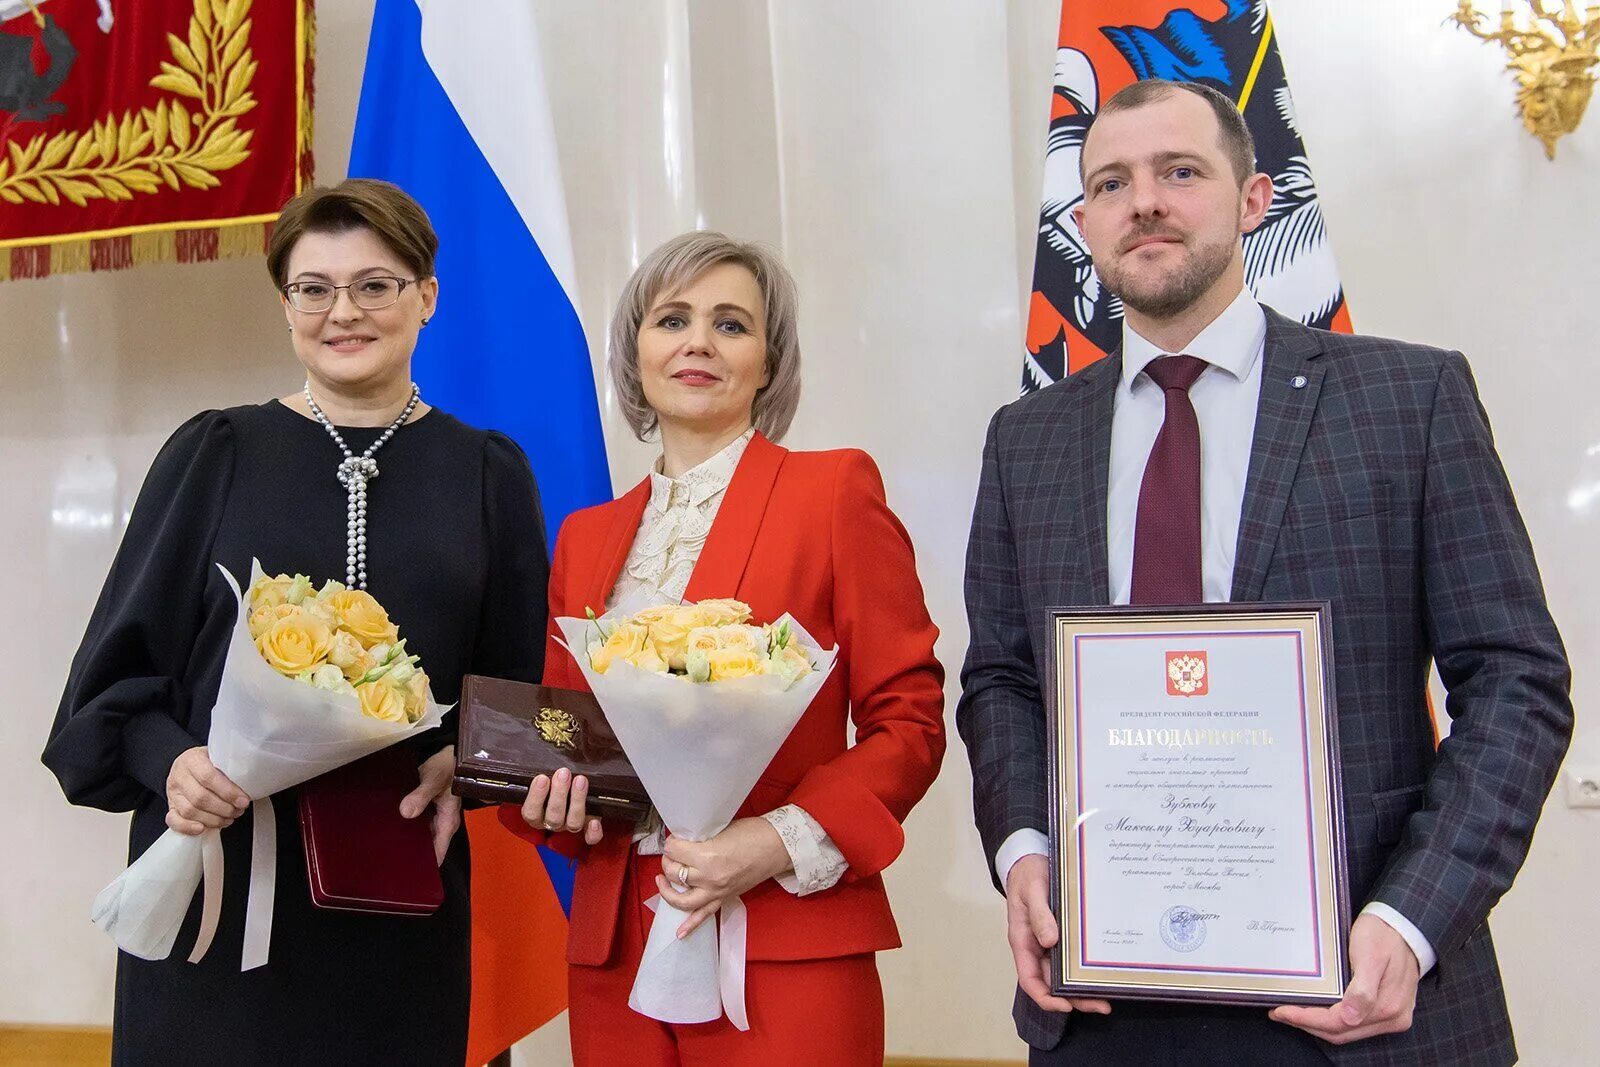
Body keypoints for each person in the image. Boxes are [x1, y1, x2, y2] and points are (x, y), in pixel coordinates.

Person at [957, 79, 1571, 1064]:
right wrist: (1022, 845)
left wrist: (1410, 919)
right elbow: (1003, 675)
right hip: (1104, 1004)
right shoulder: (1025, 438)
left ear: (1253, 199)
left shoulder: (1405, 399)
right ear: (1083, 223)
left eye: (1179, 171)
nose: (1144, 200)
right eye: (1110, 182)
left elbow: (1516, 680)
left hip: (1360, 1002)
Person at [42, 179, 549, 1065]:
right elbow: (108, 696)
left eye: (374, 285)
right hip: (220, 903)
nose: (341, 311)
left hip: (403, 911)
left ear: (426, 297)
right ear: (285, 305)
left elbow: (524, 699)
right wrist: (177, 764)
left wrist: (462, 759)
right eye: (313, 288)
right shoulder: (215, 453)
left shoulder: (487, 474)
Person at [500, 231, 946, 1064]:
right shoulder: (584, 536)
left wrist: (774, 840)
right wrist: (549, 802)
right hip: (616, 948)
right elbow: (573, 743)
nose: (698, 341)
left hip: (784, 930)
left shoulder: (834, 491)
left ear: (769, 363)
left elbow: (909, 721)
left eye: (731, 324)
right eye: (672, 319)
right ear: (637, 352)